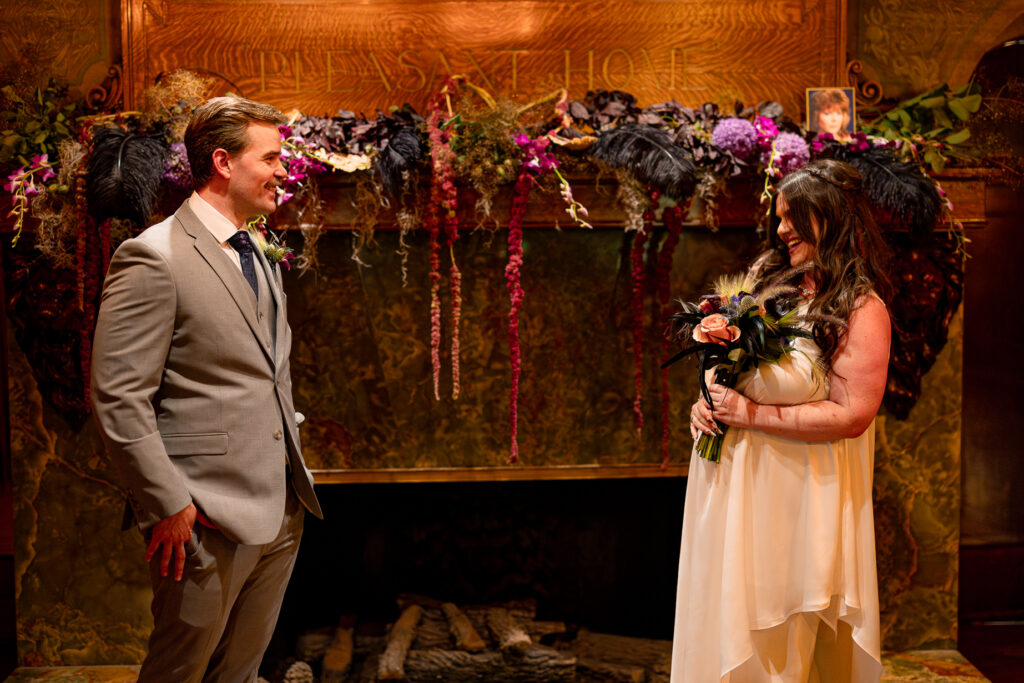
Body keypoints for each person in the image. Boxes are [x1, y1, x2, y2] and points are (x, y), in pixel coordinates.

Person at [91, 95, 323, 682]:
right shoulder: (152, 257)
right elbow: (118, 396)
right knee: (180, 671)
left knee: (240, 672)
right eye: (270, 158)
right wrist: (168, 503)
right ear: (223, 162)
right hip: (201, 521)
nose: (282, 171)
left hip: (280, 508)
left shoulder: (259, 249)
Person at [671, 159, 891, 682]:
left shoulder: (861, 309)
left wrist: (750, 414)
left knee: (779, 654)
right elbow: (732, 372)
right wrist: (707, 400)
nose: (782, 229)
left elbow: (852, 414)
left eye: (794, 217)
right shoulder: (772, 290)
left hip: (793, 508)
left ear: (831, 217)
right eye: (780, 217)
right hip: (728, 495)